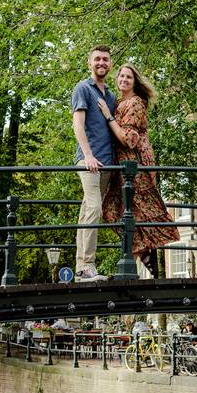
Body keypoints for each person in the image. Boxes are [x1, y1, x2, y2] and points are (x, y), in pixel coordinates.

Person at [98, 63, 180, 278]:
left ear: (135, 82)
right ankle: (143, 250)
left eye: (129, 77)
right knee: (111, 210)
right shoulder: (118, 102)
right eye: (121, 76)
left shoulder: (135, 103)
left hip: (135, 167)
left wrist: (108, 116)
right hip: (121, 169)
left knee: (140, 212)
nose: (124, 80)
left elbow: (129, 139)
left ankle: (130, 261)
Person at [71, 45, 117, 282]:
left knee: (87, 210)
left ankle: (80, 267)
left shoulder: (110, 95)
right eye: (97, 59)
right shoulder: (83, 88)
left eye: (106, 59)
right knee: (95, 208)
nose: (101, 63)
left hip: (107, 164)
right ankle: (88, 264)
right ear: (90, 63)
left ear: (110, 64)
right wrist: (87, 155)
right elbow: (78, 124)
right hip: (89, 160)